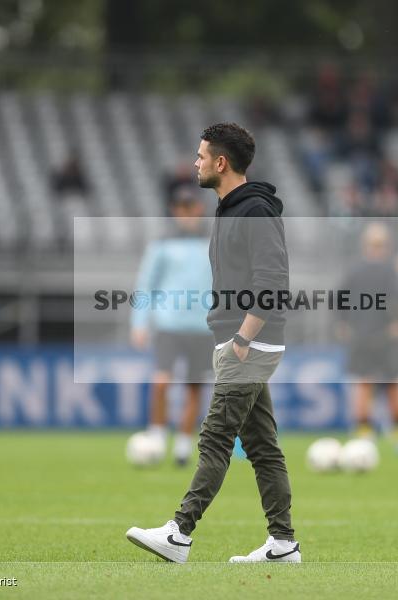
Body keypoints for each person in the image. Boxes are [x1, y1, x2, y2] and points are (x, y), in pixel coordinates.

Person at [126, 123, 299, 564]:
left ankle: (179, 533)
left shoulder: (254, 211)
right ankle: (283, 543)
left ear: (221, 163)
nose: (195, 163)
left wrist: (243, 337)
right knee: (262, 446)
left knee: (216, 438)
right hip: (240, 341)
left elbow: (273, 281)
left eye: (201, 156)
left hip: (250, 343)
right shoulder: (231, 208)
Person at [130, 187, 212, 466]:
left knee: (194, 387)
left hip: (203, 326)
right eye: (181, 208)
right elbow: (146, 284)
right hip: (169, 323)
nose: (186, 213)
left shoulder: (213, 243)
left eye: (191, 207)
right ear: (175, 211)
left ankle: (183, 445)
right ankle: (157, 437)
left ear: (199, 209)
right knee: (161, 382)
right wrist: (139, 322)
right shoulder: (162, 244)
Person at [336, 223, 398, 440]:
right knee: (390, 383)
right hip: (384, 335)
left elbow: (340, 299)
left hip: (361, 335)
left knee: (364, 382)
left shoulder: (355, 270)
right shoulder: (390, 271)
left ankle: (364, 429)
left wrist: (342, 323)